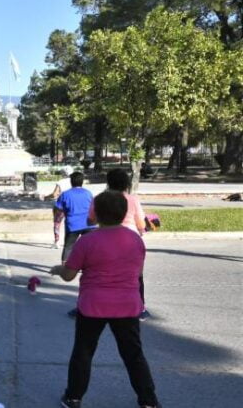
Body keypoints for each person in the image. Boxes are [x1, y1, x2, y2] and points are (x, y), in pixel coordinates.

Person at [50, 191, 159, 408]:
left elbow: (69, 275)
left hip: (93, 306)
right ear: (124, 213)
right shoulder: (135, 240)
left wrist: (59, 269)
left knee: (83, 352)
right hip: (128, 306)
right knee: (133, 355)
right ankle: (149, 401)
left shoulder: (87, 242)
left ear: (96, 214)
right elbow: (137, 273)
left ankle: (73, 397)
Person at [87, 168, 150, 321]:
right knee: (136, 275)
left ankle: (90, 305)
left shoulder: (99, 199)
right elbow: (141, 224)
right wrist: (144, 229)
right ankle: (140, 308)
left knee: (98, 272)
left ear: (108, 182)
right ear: (126, 183)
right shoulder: (133, 199)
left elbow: (90, 220)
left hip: (104, 239)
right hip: (130, 240)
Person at [55, 172, 95, 266]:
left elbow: (59, 208)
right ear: (82, 182)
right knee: (89, 246)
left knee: (69, 246)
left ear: (71, 182)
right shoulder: (88, 193)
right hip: (88, 224)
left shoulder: (65, 194)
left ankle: (65, 266)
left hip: (73, 225)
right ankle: (89, 265)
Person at [46, 166, 74, 249]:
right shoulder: (74, 181)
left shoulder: (61, 182)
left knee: (57, 223)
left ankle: (57, 241)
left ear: (63, 173)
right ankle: (69, 242)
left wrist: (46, 197)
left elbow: (55, 194)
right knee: (70, 223)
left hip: (60, 205)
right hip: (71, 205)